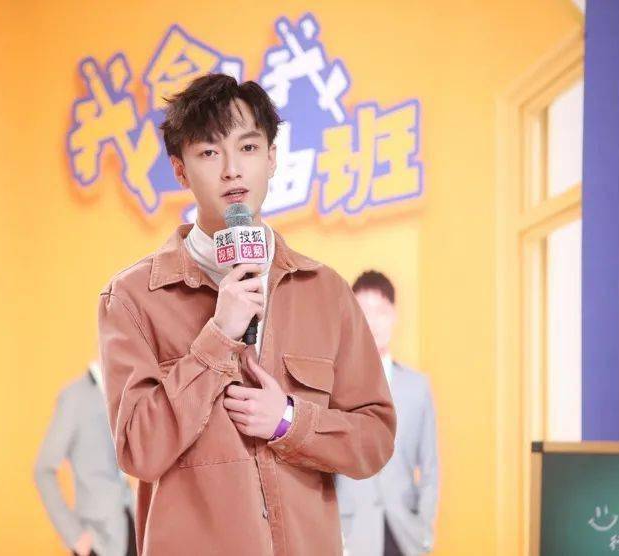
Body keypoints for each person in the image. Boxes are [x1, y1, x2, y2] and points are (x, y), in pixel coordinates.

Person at [97, 74, 396, 555]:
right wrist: (218, 336)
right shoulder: (132, 298)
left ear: (272, 157)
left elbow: (375, 439)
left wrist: (289, 421)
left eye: (249, 147)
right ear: (180, 170)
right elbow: (139, 450)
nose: (232, 170)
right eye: (209, 153)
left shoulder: (326, 292)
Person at [335, 271, 439, 555]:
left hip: (404, 531)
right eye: (364, 311)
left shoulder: (417, 386)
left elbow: (431, 468)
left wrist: (424, 531)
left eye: (381, 311)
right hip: (351, 533)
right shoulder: (335, 385)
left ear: (394, 316)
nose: (373, 321)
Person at [34, 362, 137, 556]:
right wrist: (75, 536)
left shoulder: (124, 392)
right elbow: (43, 470)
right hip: (98, 541)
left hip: (129, 524)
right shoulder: (74, 397)